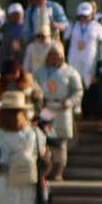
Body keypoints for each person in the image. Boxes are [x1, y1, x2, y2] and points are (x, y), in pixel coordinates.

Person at [32, 40, 83, 178]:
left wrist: (70, 101)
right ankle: (45, 170)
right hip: (45, 108)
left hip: (62, 109)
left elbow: (78, 91)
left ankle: (58, 171)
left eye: (57, 55)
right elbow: (32, 86)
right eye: (52, 55)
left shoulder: (70, 72)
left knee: (60, 142)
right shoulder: (38, 72)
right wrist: (35, 95)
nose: (55, 58)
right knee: (44, 139)